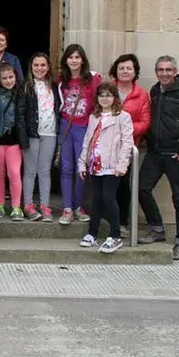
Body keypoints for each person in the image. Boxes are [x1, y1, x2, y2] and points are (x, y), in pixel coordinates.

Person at [137, 56, 179, 261]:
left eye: (168, 70)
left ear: (175, 71)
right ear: (156, 72)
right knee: (141, 189)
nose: (164, 73)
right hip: (155, 152)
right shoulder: (155, 91)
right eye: (160, 70)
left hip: (177, 155)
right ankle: (157, 229)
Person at [77, 82, 134, 254]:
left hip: (112, 166)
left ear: (115, 98)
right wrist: (82, 163)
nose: (105, 98)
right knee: (97, 199)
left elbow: (127, 142)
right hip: (95, 164)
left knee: (109, 198)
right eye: (101, 95)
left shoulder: (122, 117)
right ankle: (92, 233)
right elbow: (87, 141)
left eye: (108, 95)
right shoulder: (94, 117)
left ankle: (115, 235)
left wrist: (122, 164)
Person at [57, 43, 102, 225]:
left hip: (84, 128)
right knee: (66, 168)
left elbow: (103, 99)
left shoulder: (93, 79)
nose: (74, 60)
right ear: (65, 60)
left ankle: (78, 206)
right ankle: (67, 208)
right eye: (70, 57)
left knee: (81, 169)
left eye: (77, 57)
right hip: (66, 127)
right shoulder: (61, 81)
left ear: (82, 60)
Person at [110, 54, 150, 237]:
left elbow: (145, 122)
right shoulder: (107, 89)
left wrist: (125, 129)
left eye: (129, 68)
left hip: (127, 147)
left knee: (123, 186)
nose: (125, 71)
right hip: (105, 145)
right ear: (116, 71)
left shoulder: (141, 95)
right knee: (104, 185)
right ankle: (106, 221)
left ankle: (122, 222)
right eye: (121, 68)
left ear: (135, 72)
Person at [18, 53, 61, 222]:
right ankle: (28, 205)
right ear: (31, 67)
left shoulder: (54, 86)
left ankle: (45, 206)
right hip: (32, 134)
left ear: (48, 67)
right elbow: (20, 113)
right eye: (36, 65)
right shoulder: (25, 86)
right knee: (29, 171)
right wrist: (23, 137)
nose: (39, 68)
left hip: (50, 133)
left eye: (43, 65)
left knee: (44, 171)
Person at [0, 63, 24, 222]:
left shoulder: (21, 93)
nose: (8, 80)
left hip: (14, 139)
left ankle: (16, 206)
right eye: (4, 78)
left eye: (11, 77)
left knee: (14, 173)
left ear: (16, 77)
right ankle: (0, 204)